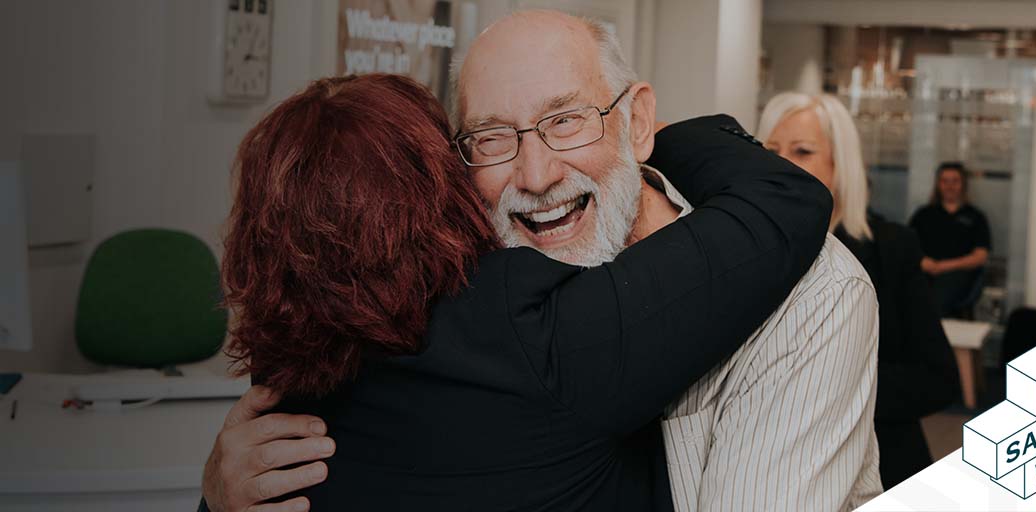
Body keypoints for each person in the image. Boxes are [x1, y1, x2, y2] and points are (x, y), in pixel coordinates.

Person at [203, 10, 882, 512]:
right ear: (448, 184)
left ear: (635, 121)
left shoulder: (811, 298)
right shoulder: (502, 308)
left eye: (566, 120)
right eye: (492, 137)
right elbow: (781, 202)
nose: (535, 173)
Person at [758, 92, 961, 489]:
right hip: (775, 473)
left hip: (878, 466)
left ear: (840, 166)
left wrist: (824, 389)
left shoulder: (891, 248)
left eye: (803, 151)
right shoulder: (746, 253)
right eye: (771, 149)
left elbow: (936, 381)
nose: (780, 164)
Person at [908, 162, 991, 317]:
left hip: (959, 274)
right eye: (945, 181)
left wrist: (943, 266)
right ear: (938, 184)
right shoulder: (923, 215)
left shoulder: (975, 217)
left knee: (941, 289)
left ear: (963, 184)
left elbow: (980, 256)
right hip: (925, 271)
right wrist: (924, 262)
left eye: (955, 181)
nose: (949, 186)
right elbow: (908, 247)